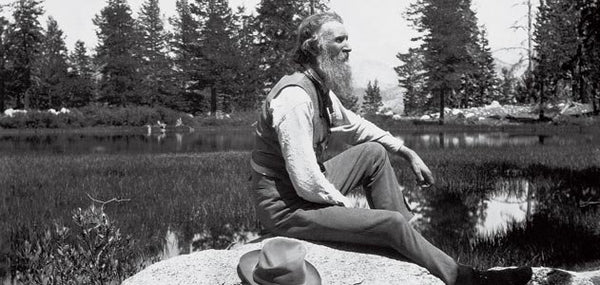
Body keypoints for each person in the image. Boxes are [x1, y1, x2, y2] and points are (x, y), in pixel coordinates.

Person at [249, 12, 532, 285]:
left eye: (347, 39)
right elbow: (306, 181)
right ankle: (463, 278)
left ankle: (408, 241)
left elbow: (355, 126)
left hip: (299, 191)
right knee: (389, 223)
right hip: (285, 207)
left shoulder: (317, 88)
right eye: (339, 40)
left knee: (373, 153)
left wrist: (406, 152)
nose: (349, 47)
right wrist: (352, 213)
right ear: (314, 47)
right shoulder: (296, 99)